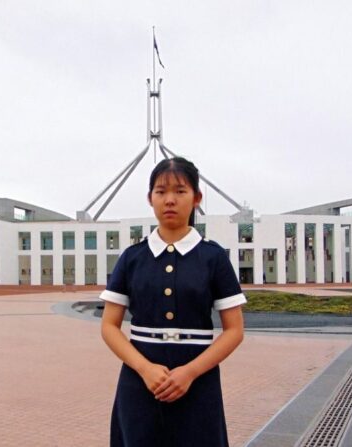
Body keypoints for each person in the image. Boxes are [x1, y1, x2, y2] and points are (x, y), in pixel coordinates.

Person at [100, 157, 246, 446]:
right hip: (139, 382)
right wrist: (145, 369)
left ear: (196, 198)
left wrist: (190, 372)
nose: (170, 200)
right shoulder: (132, 258)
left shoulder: (213, 258)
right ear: (150, 198)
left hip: (198, 381)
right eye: (160, 191)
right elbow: (109, 326)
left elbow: (234, 330)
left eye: (180, 191)